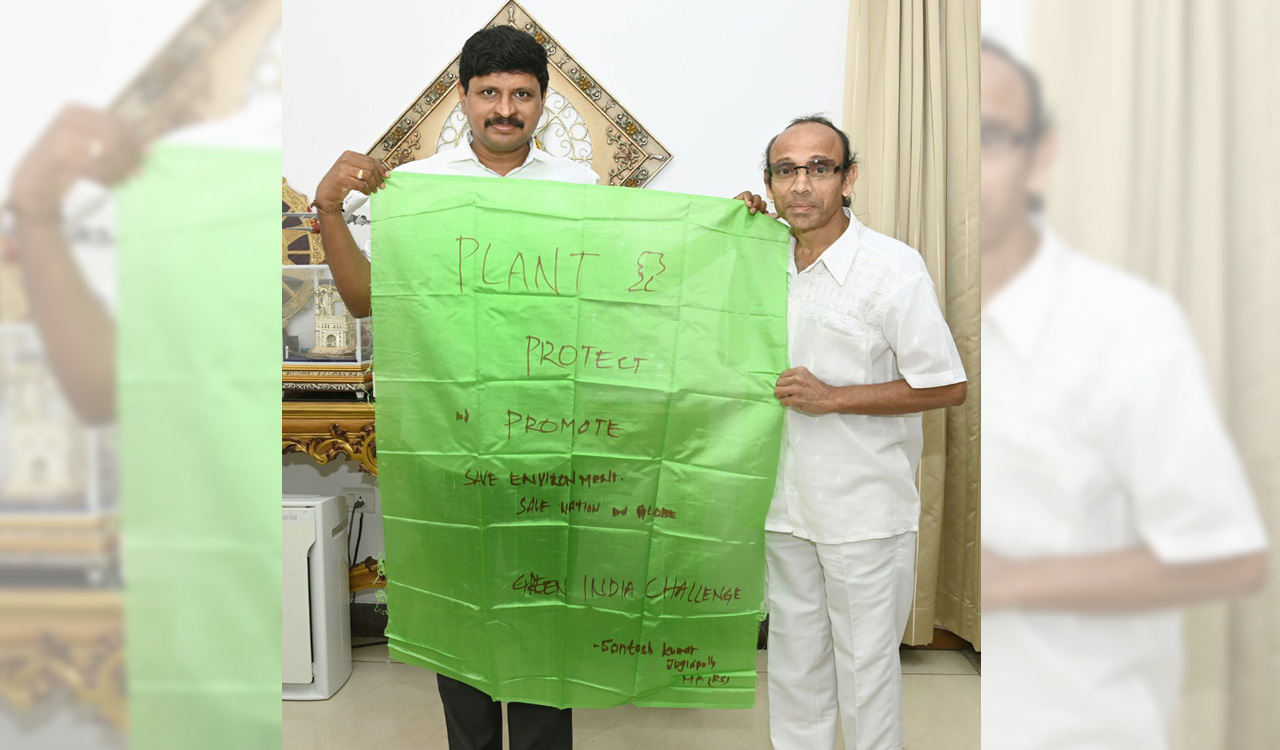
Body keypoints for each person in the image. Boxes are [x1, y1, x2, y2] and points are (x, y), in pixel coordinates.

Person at [313, 25, 596, 750]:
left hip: (544, 434)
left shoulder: (580, 188)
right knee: (458, 610)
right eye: (489, 92)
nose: (505, 109)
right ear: (463, 98)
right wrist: (329, 209)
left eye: (521, 94)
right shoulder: (418, 188)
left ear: (543, 100)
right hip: (447, 433)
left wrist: (738, 227)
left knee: (540, 609)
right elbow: (363, 299)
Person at [978, 41, 1268, 750]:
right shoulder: (943, 311)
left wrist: (1013, 583)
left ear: (1040, 156)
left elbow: (1228, 555)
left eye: (988, 136)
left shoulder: (1126, 328)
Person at [738, 115, 967, 750]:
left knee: (866, 674)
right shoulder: (759, 258)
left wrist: (834, 398)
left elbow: (946, 384)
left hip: (863, 510)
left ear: (849, 178)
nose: (801, 185)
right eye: (786, 171)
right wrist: (730, 229)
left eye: (820, 168)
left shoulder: (891, 268)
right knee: (794, 666)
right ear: (768, 182)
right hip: (783, 505)